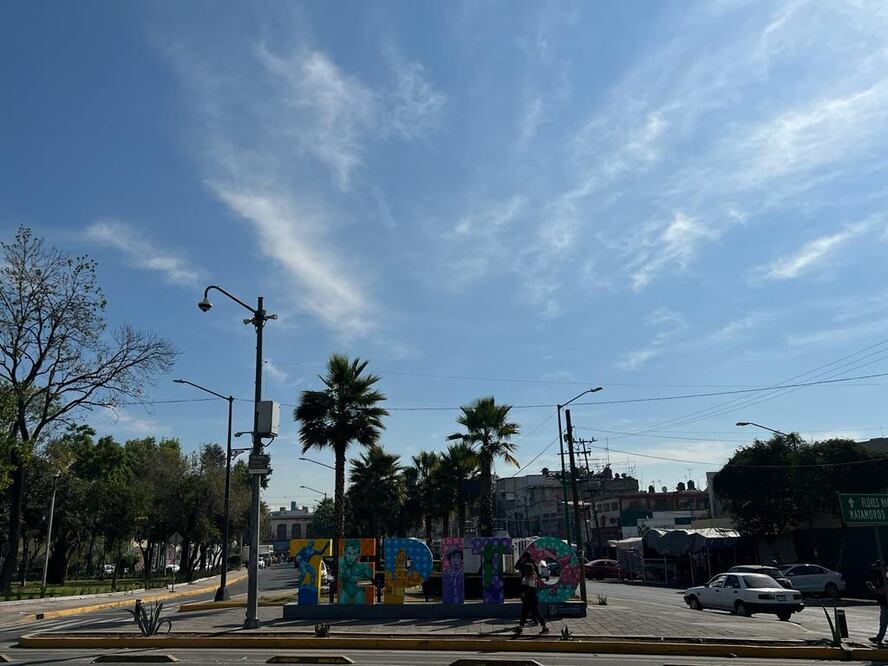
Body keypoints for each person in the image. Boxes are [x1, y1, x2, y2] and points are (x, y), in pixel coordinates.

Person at [515, 563, 549, 635]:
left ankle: (545, 627)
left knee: (536, 613)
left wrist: (524, 592)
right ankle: (520, 628)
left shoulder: (532, 577)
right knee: (524, 612)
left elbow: (531, 589)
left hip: (531, 598)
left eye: (525, 569)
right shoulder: (527, 577)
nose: (523, 570)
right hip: (528, 598)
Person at [867, 561, 888, 646]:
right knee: (883, 621)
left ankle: (879, 638)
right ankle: (879, 637)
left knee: (883, 621)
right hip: (884, 603)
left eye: (877, 567)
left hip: (886, 603)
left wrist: (872, 588)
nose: (875, 569)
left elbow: (884, 591)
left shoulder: (884, 577)